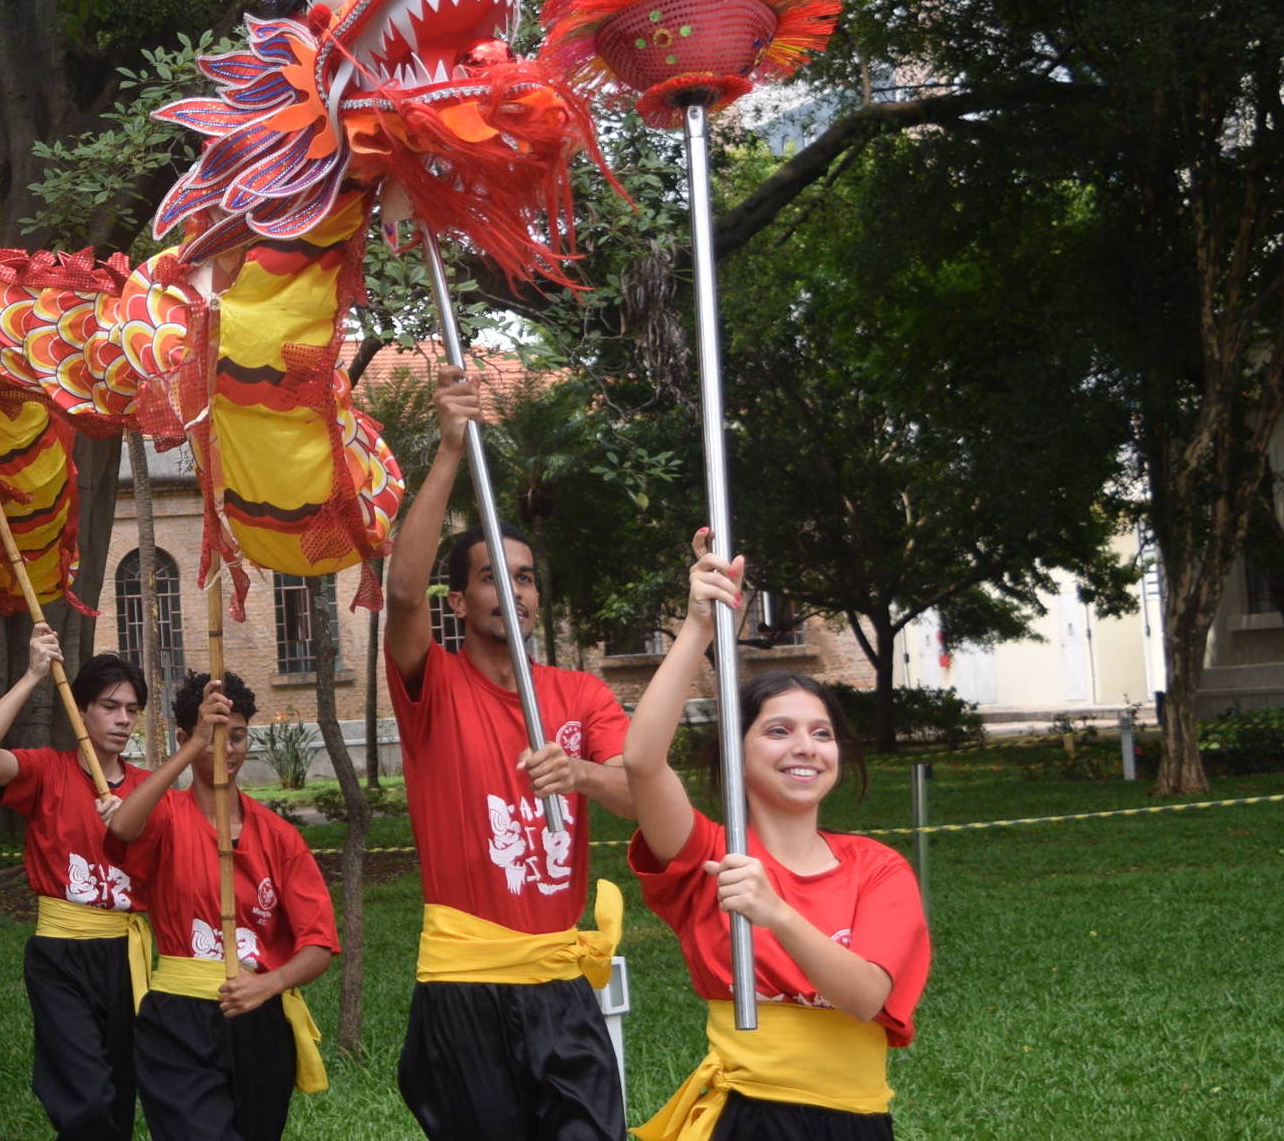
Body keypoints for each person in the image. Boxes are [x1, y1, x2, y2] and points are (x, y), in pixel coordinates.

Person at [383, 369, 636, 1141]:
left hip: (560, 981)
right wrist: (449, 452)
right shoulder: (433, 683)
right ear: (460, 602)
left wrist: (581, 773)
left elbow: (640, 792)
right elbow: (402, 594)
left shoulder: (581, 695)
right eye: (494, 577)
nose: (515, 593)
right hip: (464, 987)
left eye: (525, 579)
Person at [624, 535, 931, 1140]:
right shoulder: (710, 857)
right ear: (736, 752)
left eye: (822, 733)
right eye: (778, 731)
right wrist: (697, 627)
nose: (805, 748)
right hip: (747, 1118)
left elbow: (866, 998)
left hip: (855, 1125)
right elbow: (641, 762)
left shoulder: (877, 867)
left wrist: (777, 914)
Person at [107, 671, 335, 1141]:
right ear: (185, 738)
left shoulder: (279, 836)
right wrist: (194, 745)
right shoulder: (165, 817)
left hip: (259, 1019)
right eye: (213, 737)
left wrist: (268, 984)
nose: (228, 750)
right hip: (176, 1020)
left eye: (237, 737)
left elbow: (319, 945)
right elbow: (123, 826)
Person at [0, 627, 150, 1141]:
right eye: (110, 706)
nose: (122, 719)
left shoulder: (146, 787)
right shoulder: (47, 770)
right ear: (81, 710)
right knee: (85, 1095)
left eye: (132, 710)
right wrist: (33, 675)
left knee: (120, 1092)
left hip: (126, 953)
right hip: (61, 953)